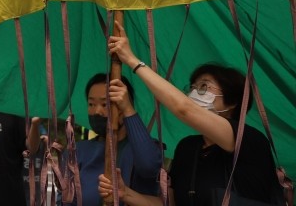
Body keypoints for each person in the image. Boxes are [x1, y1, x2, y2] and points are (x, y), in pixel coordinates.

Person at [102, 20, 283, 206]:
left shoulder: (248, 140)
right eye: (193, 87)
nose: (195, 93)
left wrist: (132, 60)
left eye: (204, 86)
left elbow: (183, 109)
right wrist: (126, 194)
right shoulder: (187, 148)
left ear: (232, 102)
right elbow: (170, 204)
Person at [65, 73, 160, 206]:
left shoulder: (144, 147)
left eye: (105, 104)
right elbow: (68, 200)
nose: (97, 111)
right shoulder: (79, 151)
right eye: (91, 104)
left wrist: (128, 109)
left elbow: (149, 166)